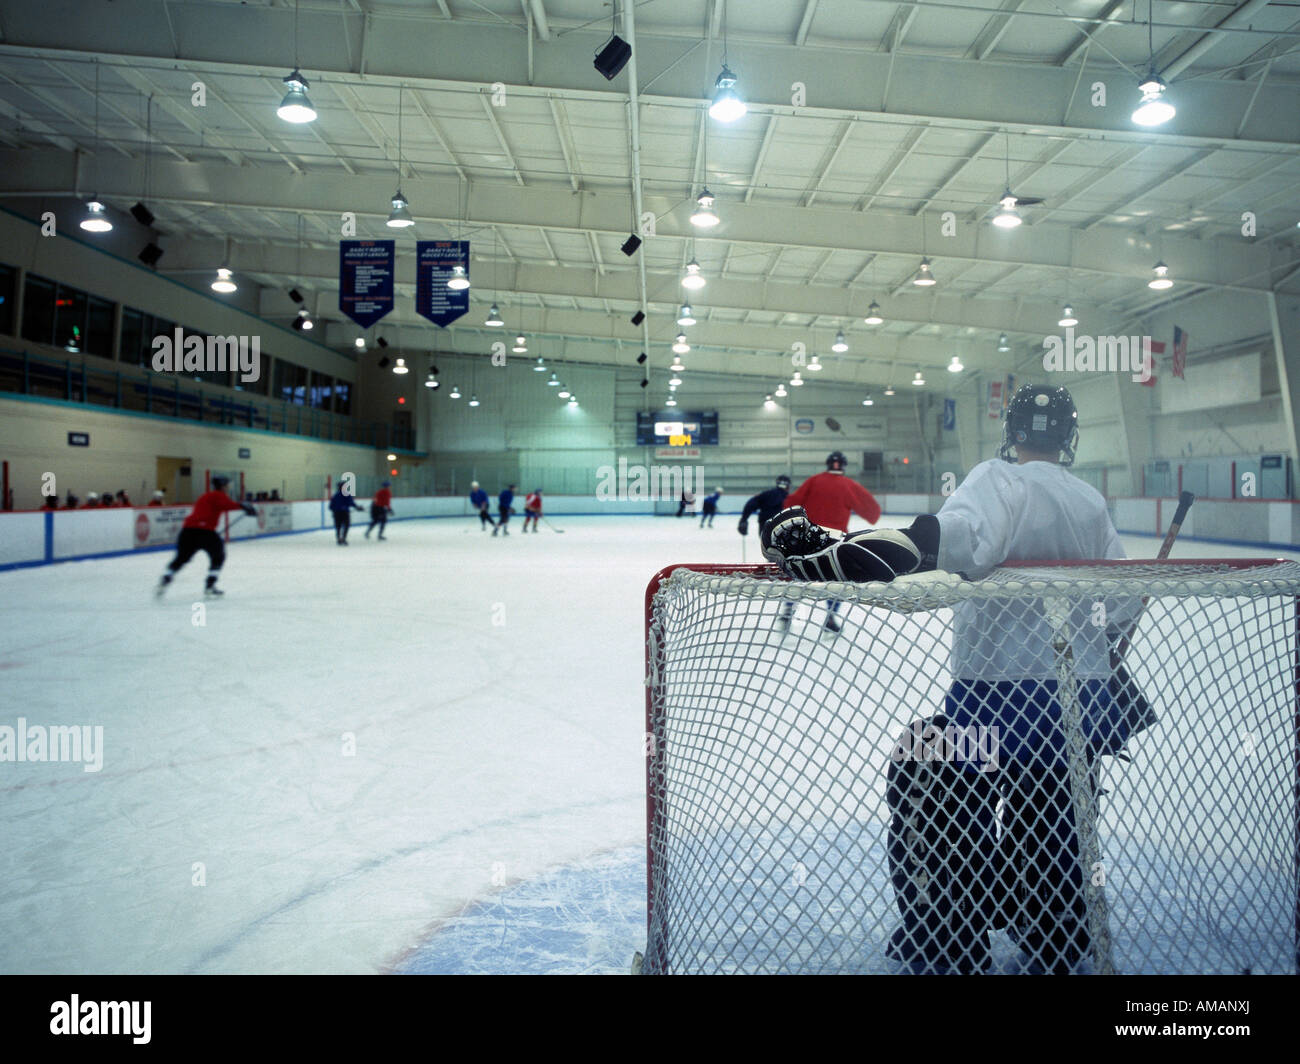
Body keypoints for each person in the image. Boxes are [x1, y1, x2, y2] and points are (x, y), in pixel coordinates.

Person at [762, 384, 1141, 974]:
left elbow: (933, 542)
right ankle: (1057, 933)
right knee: (1053, 812)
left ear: (1012, 432)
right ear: (1067, 437)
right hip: (1076, 711)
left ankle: (948, 937)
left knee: (926, 769)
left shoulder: (998, 480)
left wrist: (839, 552)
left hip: (993, 707)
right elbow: (1121, 605)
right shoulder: (1089, 501)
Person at [775, 451, 882, 635]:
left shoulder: (814, 481)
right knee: (837, 578)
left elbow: (791, 503)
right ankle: (831, 617)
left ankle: (788, 610)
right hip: (835, 542)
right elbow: (872, 511)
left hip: (808, 539)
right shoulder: (849, 486)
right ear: (844, 465)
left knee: (799, 575)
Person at [155, 475, 256, 599]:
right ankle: (210, 586)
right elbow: (226, 505)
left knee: (181, 558)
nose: (228, 487)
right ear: (223, 486)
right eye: (227, 485)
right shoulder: (218, 495)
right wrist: (242, 506)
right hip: (205, 532)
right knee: (218, 556)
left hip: (188, 531)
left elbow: (220, 506)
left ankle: (166, 578)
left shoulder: (205, 496)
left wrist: (242, 506)